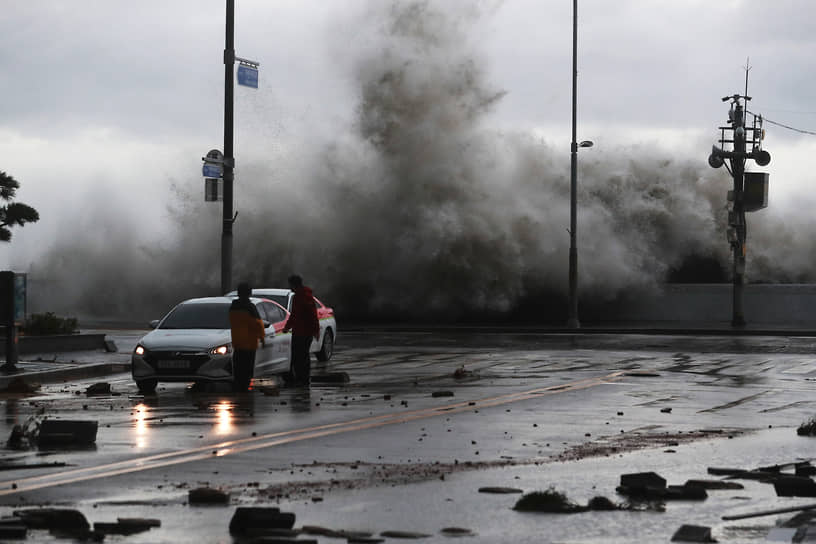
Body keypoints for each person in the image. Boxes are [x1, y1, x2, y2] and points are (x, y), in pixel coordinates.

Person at [282, 274, 320, 386]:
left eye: (290, 285)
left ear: (294, 285)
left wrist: (287, 327)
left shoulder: (301, 297)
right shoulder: (303, 296)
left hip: (302, 333)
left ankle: (302, 380)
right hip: (303, 332)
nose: (289, 288)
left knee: (299, 357)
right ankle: (303, 379)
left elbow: (300, 315)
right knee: (302, 357)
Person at [229, 282, 265, 392]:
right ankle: (245, 387)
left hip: (237, 342)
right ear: (249, 293)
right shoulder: (250, 307)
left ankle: (238, 386)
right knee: (247, 367)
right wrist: (262, 337)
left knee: (238, 367)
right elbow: (258, 324)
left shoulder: (233, 307)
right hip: (249, 343)